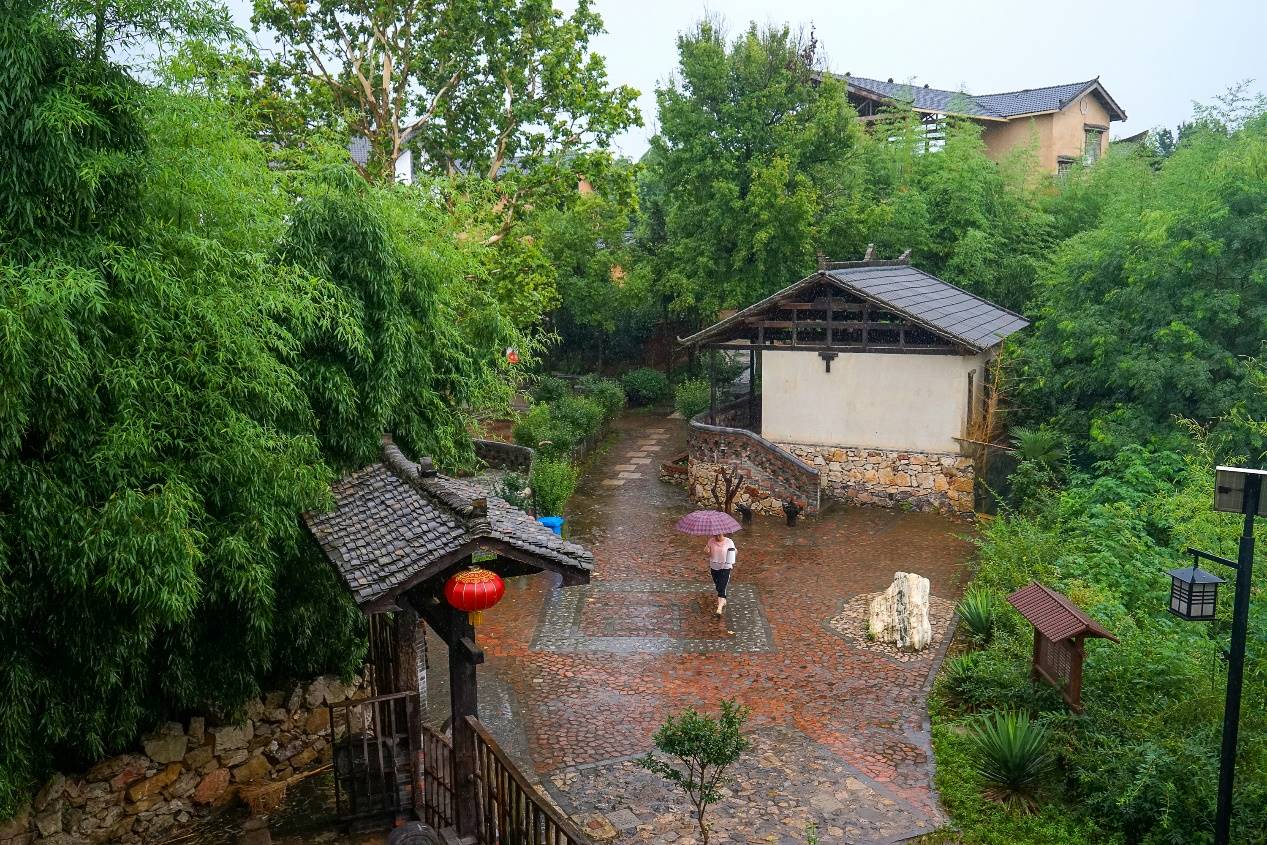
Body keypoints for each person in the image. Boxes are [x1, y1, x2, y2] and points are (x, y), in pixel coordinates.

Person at [705, 533, 737, 617]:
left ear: (723, 533)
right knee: (718, 586)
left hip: (726, 566)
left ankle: (719, 607)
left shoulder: (729, 541)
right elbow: (707, 549)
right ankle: (723, 600)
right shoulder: (711, 541)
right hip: (714, 566)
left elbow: (735, 551)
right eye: (715, 535)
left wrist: (733, 553)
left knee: (722, 586)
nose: (717, 537)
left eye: (719, 535)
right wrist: (706, 550)